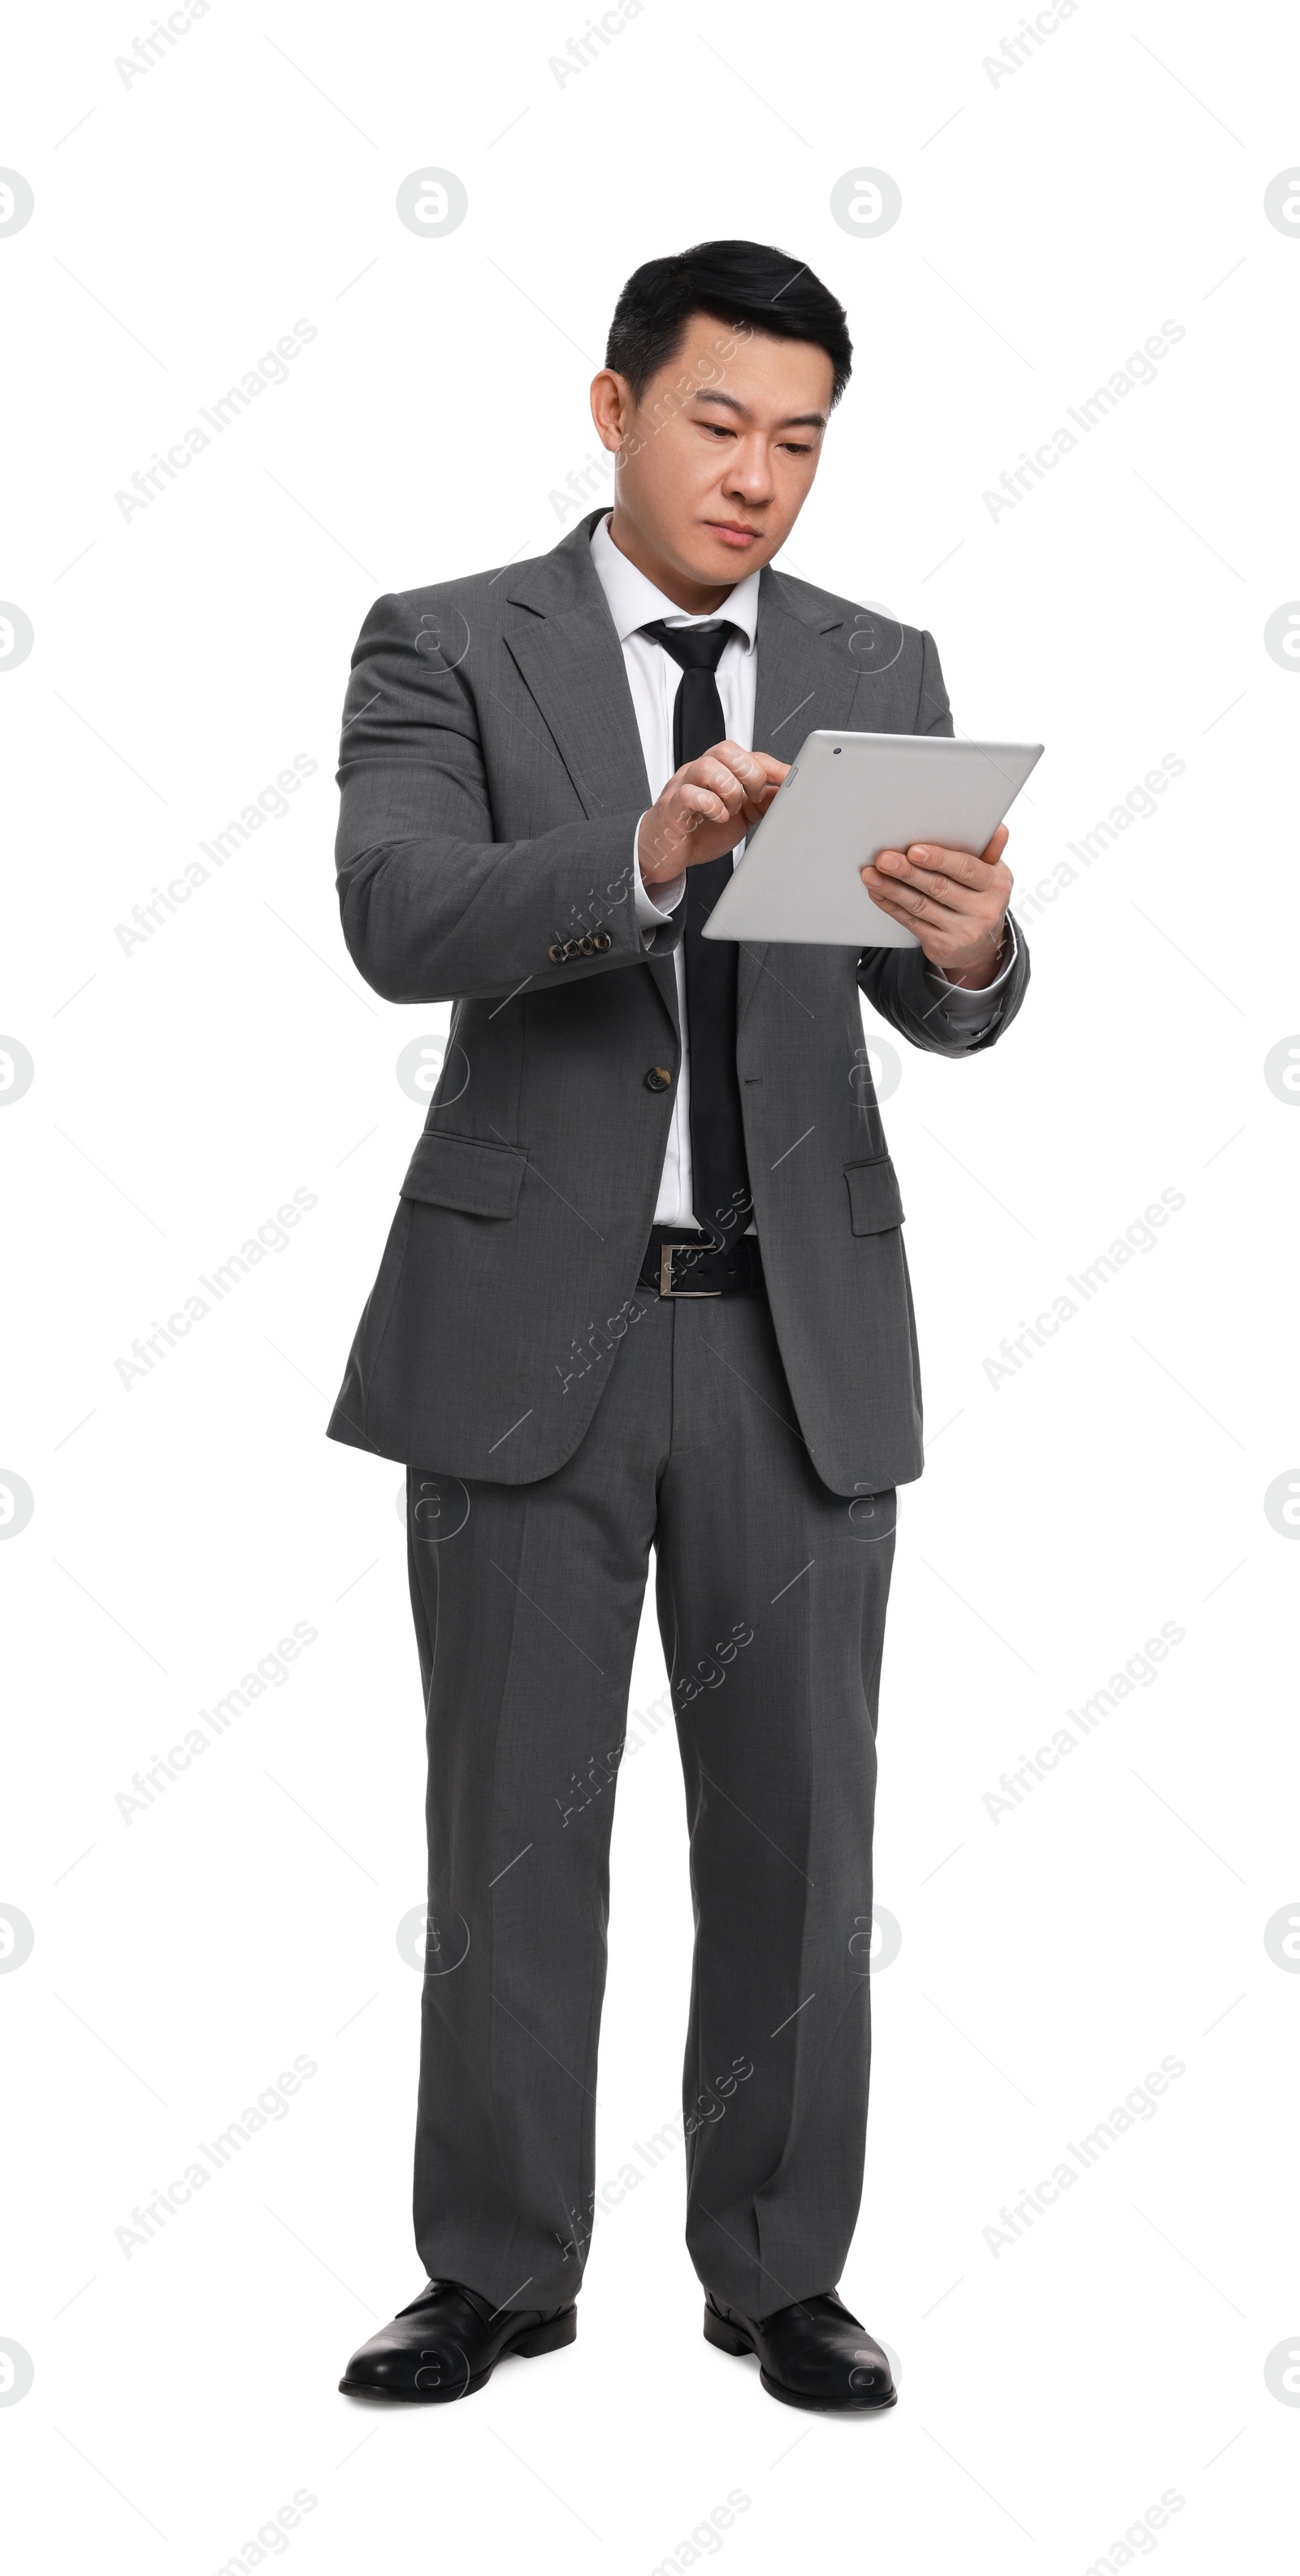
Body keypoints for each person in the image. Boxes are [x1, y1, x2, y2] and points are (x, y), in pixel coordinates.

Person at [328, 239, 1028, 2413]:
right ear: (614, 404)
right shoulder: (450, 639)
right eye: (719, 423)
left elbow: (935, 995)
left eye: (802, 440)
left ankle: (779, 2268)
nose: (759, 479)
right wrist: (634, 851)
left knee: (803, 1837)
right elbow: (395, 913)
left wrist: (985, 941)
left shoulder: (871, 658)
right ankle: (497, 2267)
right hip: (531, 1330)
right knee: (514, 1833)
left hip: (790, 1340)